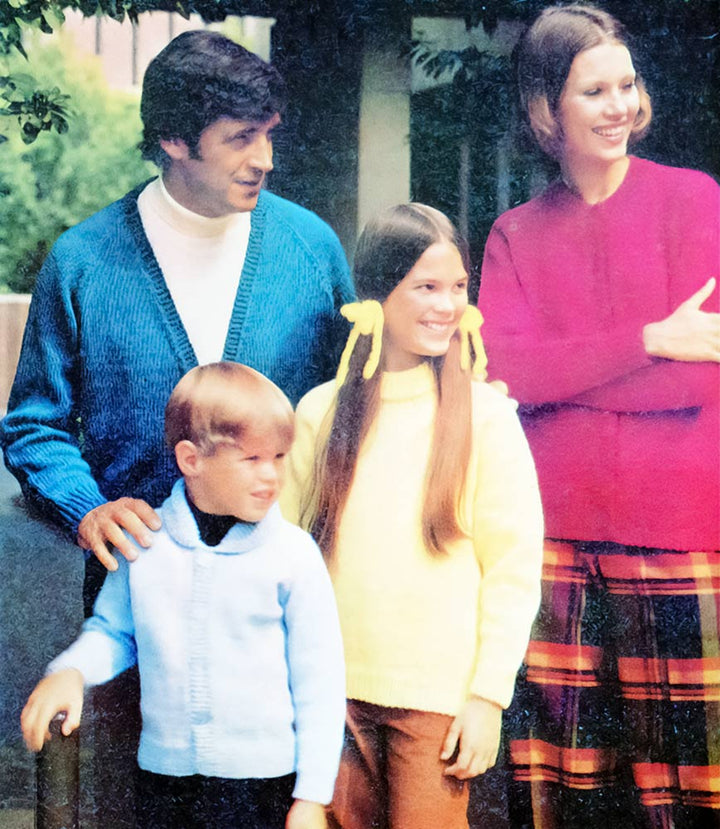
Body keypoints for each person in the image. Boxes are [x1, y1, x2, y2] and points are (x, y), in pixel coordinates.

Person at [1, 30, 352, 825]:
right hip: (140, 609)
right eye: (241, 139)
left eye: (268, 135)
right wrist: (88, 506)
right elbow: (33, 424)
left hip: (283, 604)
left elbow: (351, 405)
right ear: (172, 140)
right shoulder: (84, 260)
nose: (264, 158)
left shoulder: (310, 250)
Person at [478, 5, 720, 828]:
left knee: (690, 787)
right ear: (547, 108)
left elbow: (694, 381)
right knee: (559, 788)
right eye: (594, 91)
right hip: (552, 539)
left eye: (627, 85)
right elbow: (503, 374)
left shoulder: (692, 200)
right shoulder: (515, 233)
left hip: (678, 533)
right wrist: (648, 339)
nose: (620, 106)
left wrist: (560, 380)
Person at [281, 203, 544, 829]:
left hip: (435, 705)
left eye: (457, 288)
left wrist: (487, 698)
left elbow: (513, 570)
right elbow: (283, 558)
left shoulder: (487, 418)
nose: (446, 306)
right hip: (329, 699)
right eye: (426, 287)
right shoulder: (318, 413)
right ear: (376, 295)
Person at [21, 362, 346, 829]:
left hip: (264, 786)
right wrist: (71, 670)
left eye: (278, 457)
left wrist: (312, 796)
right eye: (252, 459)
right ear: (191, 460)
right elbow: (113, 632)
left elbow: (320, 682)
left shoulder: (294, 556)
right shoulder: (145, 545)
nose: (272, 476)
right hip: (164, 782)